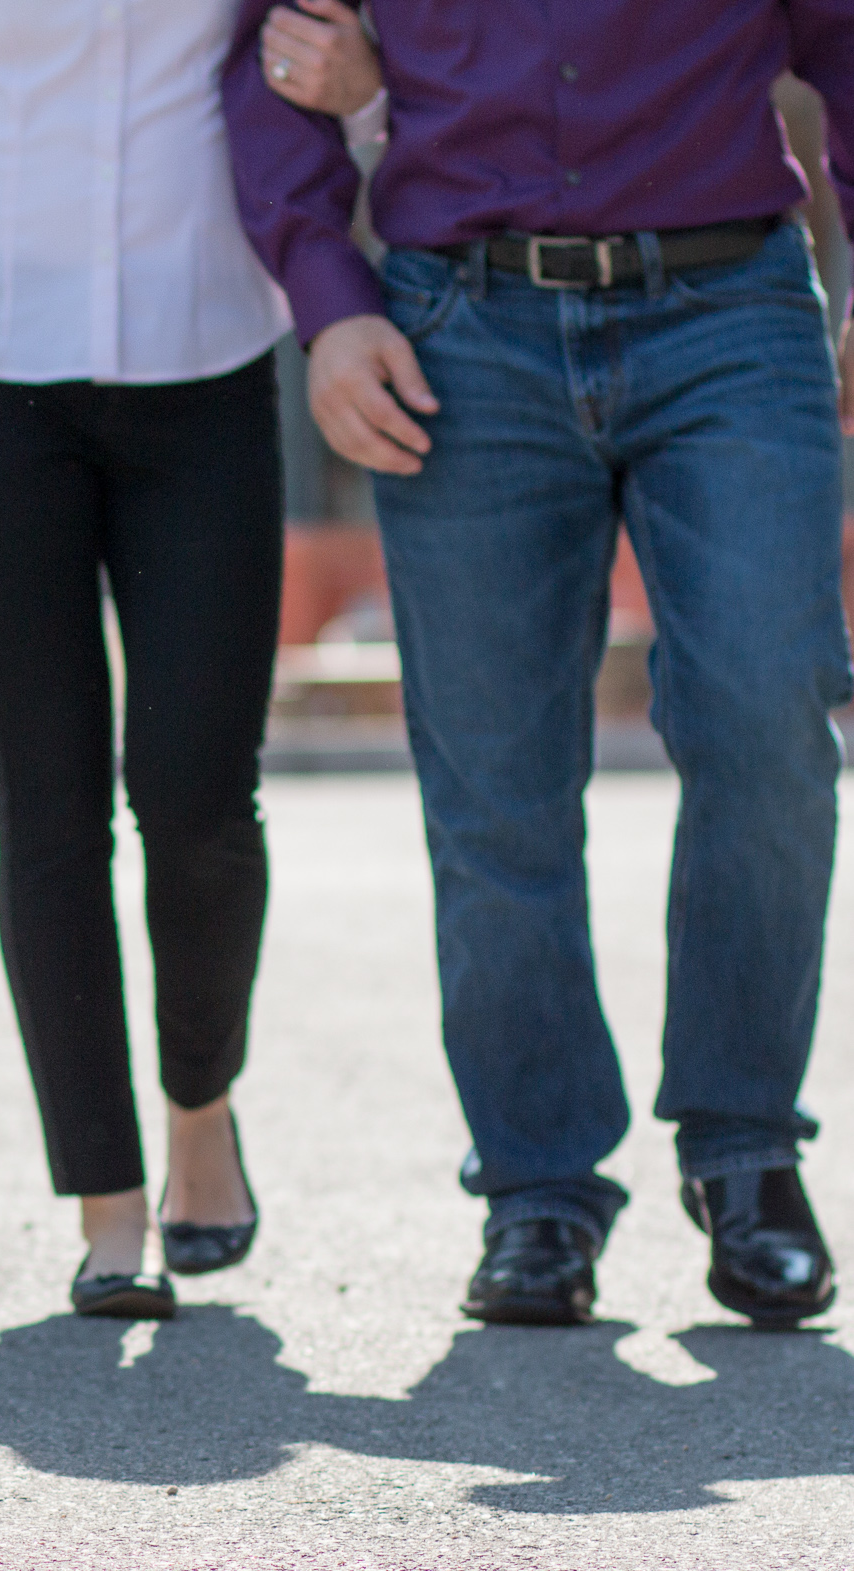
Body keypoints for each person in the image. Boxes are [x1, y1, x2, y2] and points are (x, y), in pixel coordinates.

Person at [225, 0, 846, 1327]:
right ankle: (538, 1187)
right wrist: (328, 300)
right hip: (465, 329)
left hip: (730, 314)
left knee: (769, 718)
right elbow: (274, 57)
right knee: (494, 781)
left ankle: (747, 1153)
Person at [0, 0, 382, 1319]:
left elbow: (345, 59)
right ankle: (109, 1204)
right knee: (50, 807)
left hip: (212, 358)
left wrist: (363, 102)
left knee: (198, 800)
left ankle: (200, 1111)